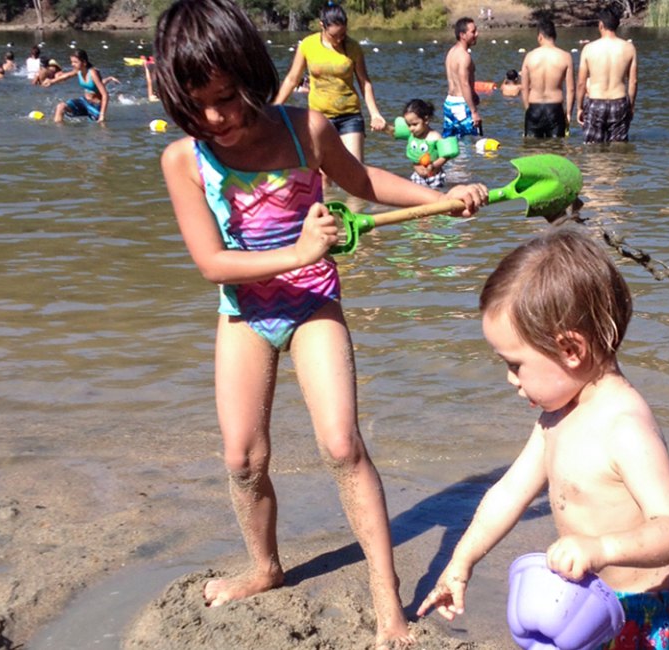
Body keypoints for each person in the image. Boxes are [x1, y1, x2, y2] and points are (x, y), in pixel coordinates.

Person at [153, 0, 488, 646]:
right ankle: (264, 567)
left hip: (312, 305)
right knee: (243, 458)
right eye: (197, 107)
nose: (216, 118)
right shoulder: (183, 161)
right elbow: (212, 263)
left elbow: (363, 179)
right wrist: (302, 250)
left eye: (226, 98)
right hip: (244, 313)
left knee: (341, 445)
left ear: (251, 76)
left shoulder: (305, 130)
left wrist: (441, 199)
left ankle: (386, 602)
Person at [416, 227, 669, 649]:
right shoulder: (556, 417)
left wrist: (600, 548)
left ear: (570, 349)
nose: (510, 380)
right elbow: (509, 492)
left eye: (516, 364)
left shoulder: (623, 426)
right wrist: (461, 562)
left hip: (644, 608)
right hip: (587, 603)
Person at [275, 4, 386, 167]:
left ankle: (352, 194)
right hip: (318, 118)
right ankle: (329, 194)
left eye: (343, 33)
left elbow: (364, 82)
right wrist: (275, 107)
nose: (340, 39)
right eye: (335, 35)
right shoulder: (308, 45)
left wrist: (375, 114)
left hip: (350, 115)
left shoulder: (353, 47)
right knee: (323, 175)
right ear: (322, 26)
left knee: (355, 170)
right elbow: (292, 79)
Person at [576, 7, 637, 143]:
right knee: (618, 148)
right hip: (619, 102)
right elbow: (633, 82)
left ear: (601, 25)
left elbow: (581, 83)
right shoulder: (629, 48)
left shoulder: (589, 49)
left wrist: (579, 107)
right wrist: (631, 107)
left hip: (596, 102)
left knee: (593, 147)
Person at [520, 17, 574, 139]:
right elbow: (570, 90)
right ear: (554, 36)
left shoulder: (529, 57)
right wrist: (569, 113)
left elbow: (524, 88)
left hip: (534, 107)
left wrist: (528, 109)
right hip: (555, 108)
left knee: (532, 151)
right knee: (556, 150)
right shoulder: (565, 57)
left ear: (540, 36)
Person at [43, 50, 109, 123]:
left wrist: (102, 114)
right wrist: (52, 81)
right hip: (84, 101)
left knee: (98, 127)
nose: (72, 64)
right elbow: (67, 75)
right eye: (72, 62)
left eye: (75, 62)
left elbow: (105, 95)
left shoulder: (93, 73)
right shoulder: (78, 71)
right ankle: (59, 131)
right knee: (60, 107)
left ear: (84, 62)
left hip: (95, 106)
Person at [397, 98, 451, 188]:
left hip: (434, 177)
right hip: (417, 176)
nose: (411, 128)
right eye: (408, 125)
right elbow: (394, 133)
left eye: (414, 124)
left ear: (426, 120)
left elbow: (446, 155)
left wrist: (434, 165)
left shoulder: (435, 136)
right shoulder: (412, 135)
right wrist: (385, 128)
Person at [443, 17, 482, 138]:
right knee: (471, 144)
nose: (477, 34)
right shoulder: (464, 56)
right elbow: (464, 84)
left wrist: (474, 94)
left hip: (449, 102)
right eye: (473, 31)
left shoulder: (451, 52)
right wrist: (474, 112)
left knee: (451, 144)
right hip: (462, 105)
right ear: (462, 35)